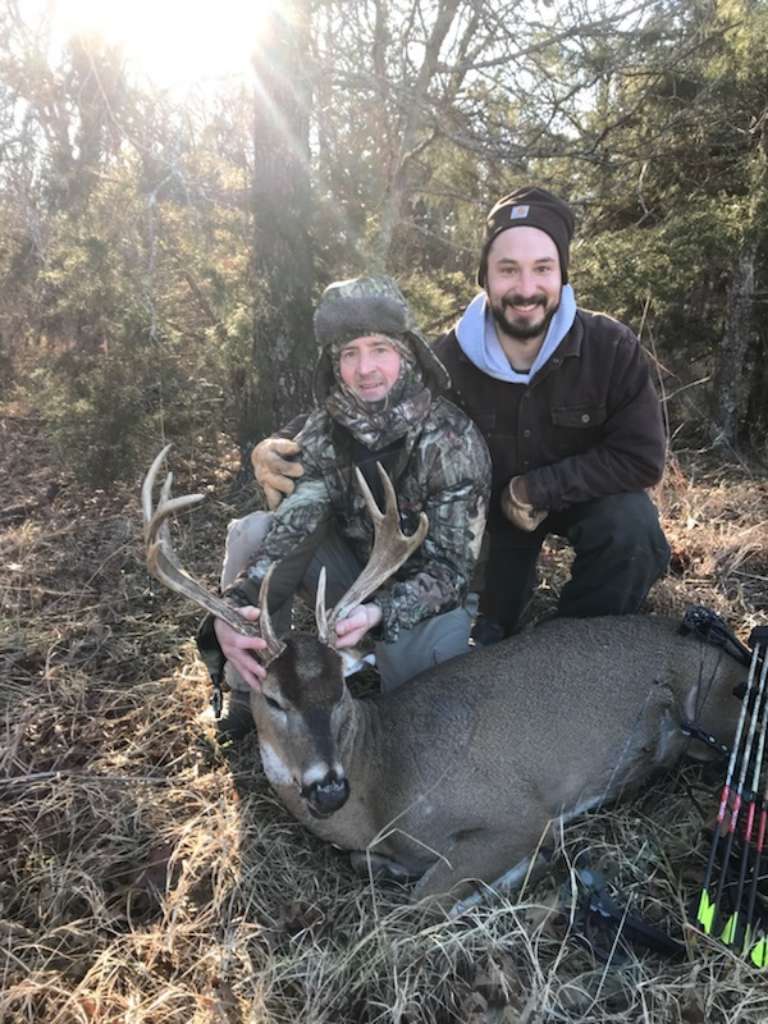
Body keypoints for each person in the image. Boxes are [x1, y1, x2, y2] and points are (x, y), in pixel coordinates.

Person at [253, 187, 670, 646]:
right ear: (485, 277)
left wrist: (539, 488)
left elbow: (642, 456)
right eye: (508, 269)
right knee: (484, 641)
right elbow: (367, 403)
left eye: (543, 269)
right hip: (485, 525)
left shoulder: (610, 347)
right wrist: (275, 445)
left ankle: (573, 646)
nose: (526, 289)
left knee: (633, 531)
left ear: (562, 274)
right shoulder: (447, 358)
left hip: (583, 499)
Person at [198, 275, 490, 737]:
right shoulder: (322, 433)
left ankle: (385, 658)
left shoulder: (451, 440)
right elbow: (292, 532)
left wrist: (378, 613)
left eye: (379, 349)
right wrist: (234, 606)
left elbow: (451, 571)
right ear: (334, 365)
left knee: (421, 721)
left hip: (427, 597)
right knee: (255, 532)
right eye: (349, 354)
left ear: (406, 353)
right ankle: (245, 689)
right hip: (347, 581)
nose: (365, 368)